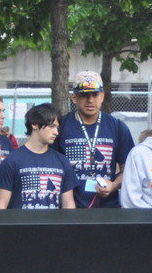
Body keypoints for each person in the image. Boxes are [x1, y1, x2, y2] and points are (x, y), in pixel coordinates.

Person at [55, 70, 134, 208]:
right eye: (84, 95)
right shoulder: (61, 126)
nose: (90, 100)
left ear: (102, 96)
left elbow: (129, 169)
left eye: (95, 94)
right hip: (70, 207)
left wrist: (113, 185)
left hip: (108, 208)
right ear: (74, 97)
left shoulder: (117, 127)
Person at [0, 104, 78, 209]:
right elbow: (0, 206)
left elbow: (68, 204)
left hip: (54, 220)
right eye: (52, 126)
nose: (56, 132)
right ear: (35, 124)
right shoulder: (12, 160)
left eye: (57, 127)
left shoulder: (62, 161)